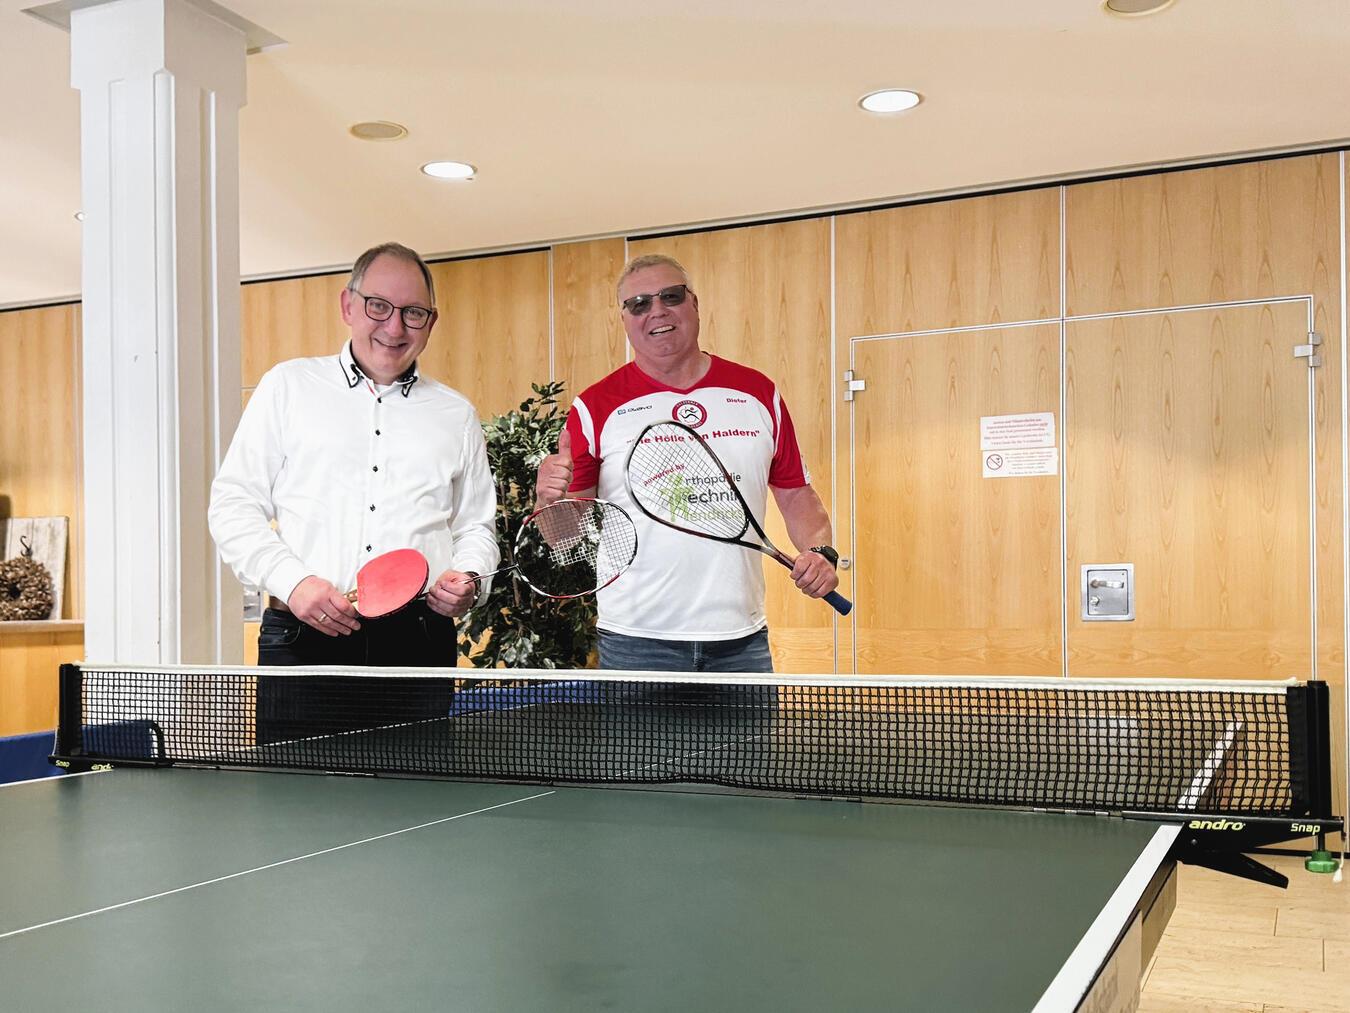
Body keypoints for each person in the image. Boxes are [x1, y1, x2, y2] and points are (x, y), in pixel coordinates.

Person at [209, 242, 499, 741]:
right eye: (379, 306)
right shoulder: (287, 387)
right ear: (348, 305)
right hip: (302, 641)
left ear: (431, 322)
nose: (394, 327)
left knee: (421, 805)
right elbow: (234, 505)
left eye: (413, 313)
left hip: (418, 645)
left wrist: (470, 577)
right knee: (295, 810)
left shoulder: (456, 414)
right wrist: (294, 583)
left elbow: (476, 526)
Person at [533, 253, 839, 673]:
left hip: (740, 641)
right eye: (638, 303)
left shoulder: (757, 392)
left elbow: (797, 494)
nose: (656, 310)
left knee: (749, 746)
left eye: (670, 296)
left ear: (693, 304)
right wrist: (547, 498)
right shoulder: (594, 407)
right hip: (635, 643)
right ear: (624, 319)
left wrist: (821, 552)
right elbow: (562, 539)